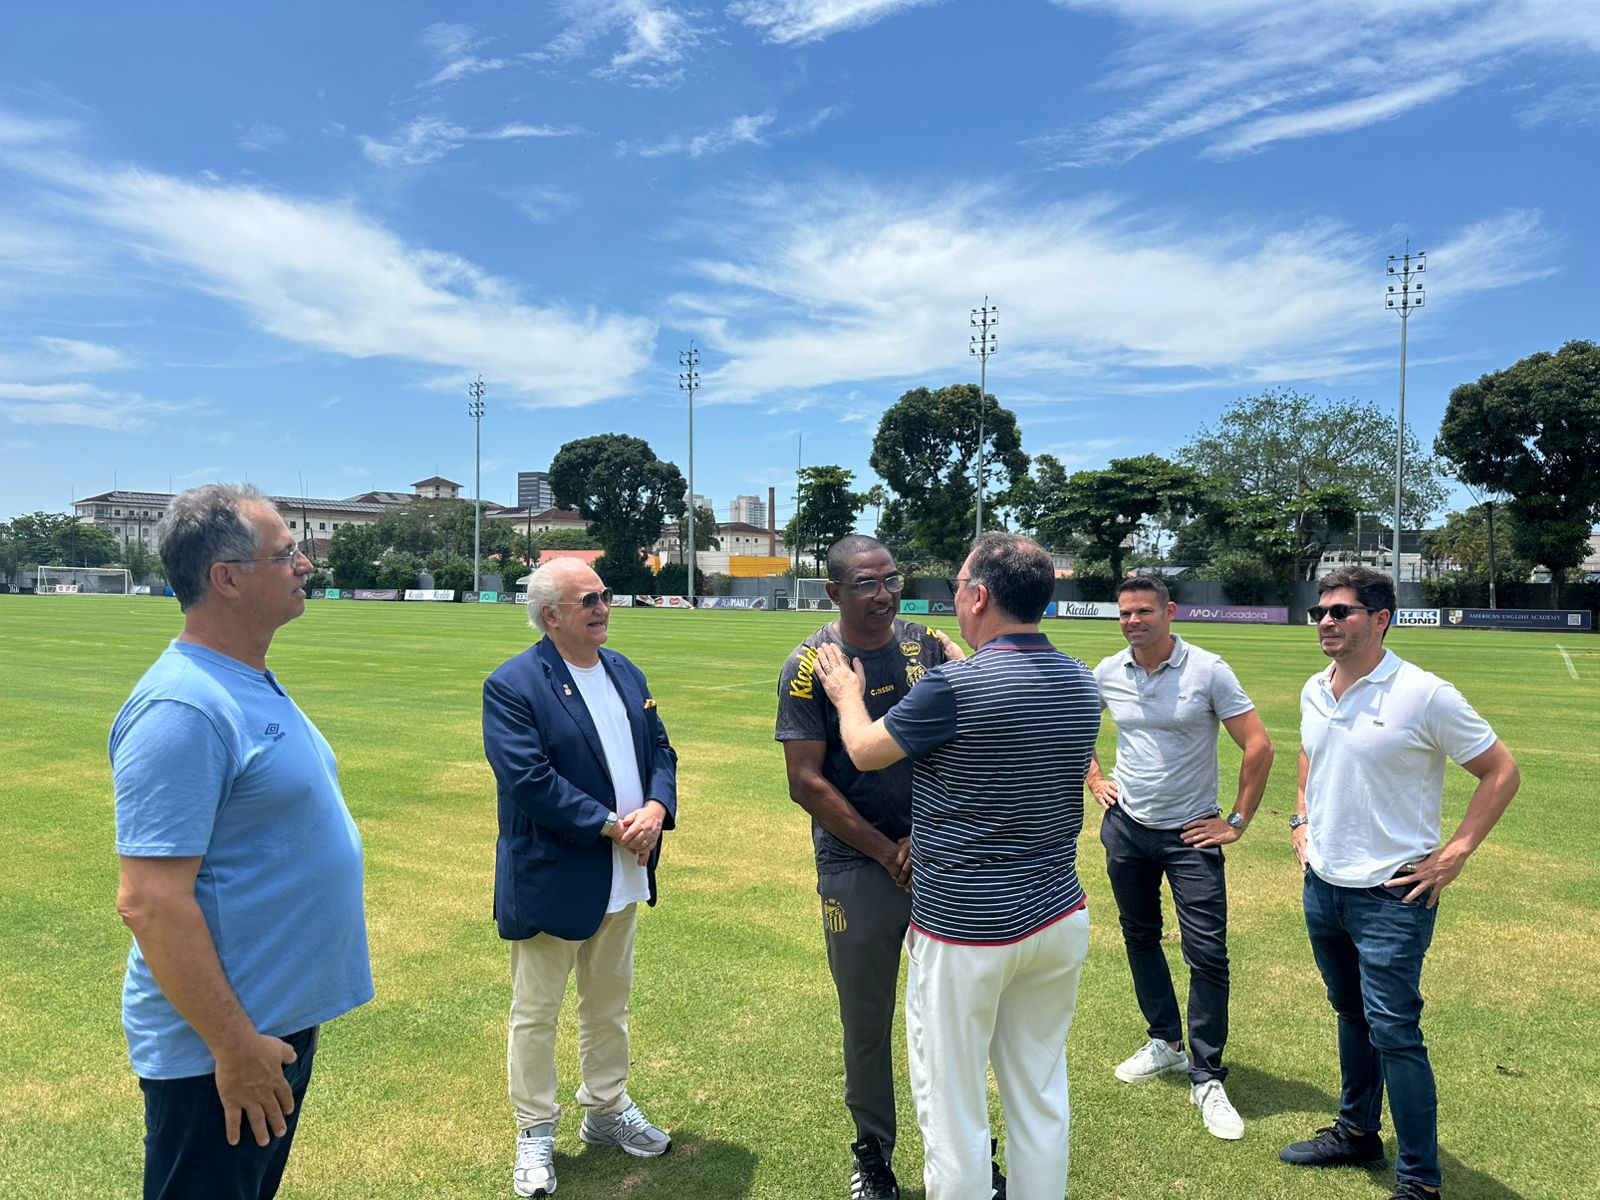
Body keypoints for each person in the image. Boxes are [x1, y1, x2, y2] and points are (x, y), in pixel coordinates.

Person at [817, 532, 1099, 1200]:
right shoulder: (1081, 680)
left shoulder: (952, 687)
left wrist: (846, 694)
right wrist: (969, 666)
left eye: (959, 586)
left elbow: (864, 751)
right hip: (1057, 915)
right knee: (1039, 1092)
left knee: (952, 1107)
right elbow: (1012, 709)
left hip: (967, 928)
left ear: (977, 597)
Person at [111, 483, 373, 1200]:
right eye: (286, 554)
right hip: (219, 1054)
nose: (305, 565)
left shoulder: (245, 680)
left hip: (269, 1029)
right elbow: (150, 902)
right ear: (226, 579)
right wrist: (234, 1048)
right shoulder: (183, 706)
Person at [1282, 566, 1519, 1200]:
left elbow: (1500, 771)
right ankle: (1357, 1132)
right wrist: (1301, 820)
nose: (1326, 622)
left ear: (1380, 619)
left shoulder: (1423, 693)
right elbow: (1310, 753)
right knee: (1350, 1014)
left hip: (1393, 894)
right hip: (1324, 885)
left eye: (1340, 612)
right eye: (1320, 612)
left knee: (1395, 1032)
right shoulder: (1315, 689)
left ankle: (1419, 1182)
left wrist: (1455, 853)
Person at [776, 535, 966, 1200]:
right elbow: (806, 781)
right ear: (834, 592)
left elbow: (960, 741)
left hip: (937, 858)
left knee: (955, 1014)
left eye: (891, 579)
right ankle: (873, 1153)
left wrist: (927, 834)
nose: (884, 594)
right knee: (867, 1020)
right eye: (866, 584)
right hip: (857, 865)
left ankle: (964, 1154)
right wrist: (886, 850)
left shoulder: (926, 647)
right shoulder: (808, 665)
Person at [483, 557, 678, 1199]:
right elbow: (528, 780)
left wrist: (657, 808)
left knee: (608, 1005)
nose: (602, 607)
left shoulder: (625, 670)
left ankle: (606, 1106)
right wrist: (612, 825)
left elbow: (661, 750)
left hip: (626, 869)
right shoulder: (513, 684)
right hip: (556, 875)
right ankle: (535, 1128)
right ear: (551, 615)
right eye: (588, 600)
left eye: (604, 596)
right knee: (536, 1013)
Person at [1087, 575, 1273, 1140]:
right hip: (1127, 828)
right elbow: (1076, 727)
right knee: (1139, 936)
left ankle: (1207, 1074)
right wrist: (1095, 777)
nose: (1133, 621)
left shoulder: (1208, 670)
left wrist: (1235, 822)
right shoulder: (1108, 671)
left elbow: (1259, 744)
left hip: (1192, 835)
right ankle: (1166, 1040)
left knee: (1207, 953)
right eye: (1125, 613)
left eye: (1144, 611)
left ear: (1170, 612)